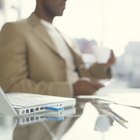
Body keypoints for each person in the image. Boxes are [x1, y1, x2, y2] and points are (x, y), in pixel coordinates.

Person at [0, 0, 115, 97]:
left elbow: (83, 77)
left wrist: (103, 66)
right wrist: (71, 89)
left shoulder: (66, 37)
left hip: (79, 113)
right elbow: (12, 87)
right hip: (49, 118)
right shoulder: (15, 30)